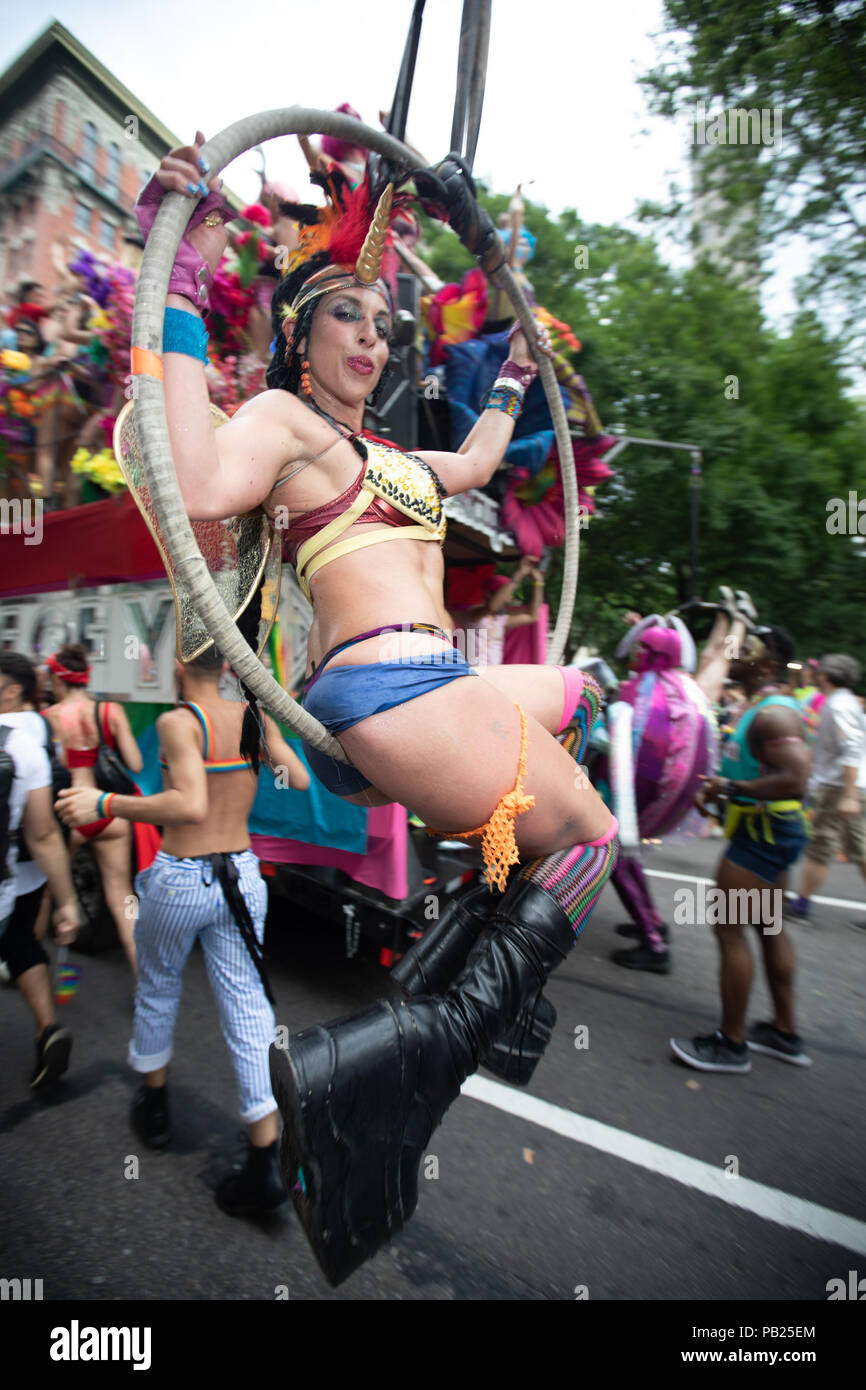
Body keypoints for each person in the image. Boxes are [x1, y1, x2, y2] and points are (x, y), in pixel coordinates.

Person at [133, 134, 618, 1283]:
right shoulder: (286, 426)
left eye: (384, 325)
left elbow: (491, 455)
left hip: (433, 689)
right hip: (390, 690)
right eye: (347, 316)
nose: (372, 337)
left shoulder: (397, 458)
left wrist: (518, 359)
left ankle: (469, 924)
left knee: (579, 700)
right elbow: (196, 484)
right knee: (592, 842)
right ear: (299, 334)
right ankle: (440, 1029)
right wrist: (187, 266)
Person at [56, 648, 309, 1214]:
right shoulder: (252, 717)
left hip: (181, 879)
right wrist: (263, 743)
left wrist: (103, 800)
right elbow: (296, 779)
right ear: (224, 665)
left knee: (158, 986)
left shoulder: (177, 722)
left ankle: (156, 1108)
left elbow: (190, 805)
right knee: (248, 1009)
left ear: (178, 666)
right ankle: (265, 1163)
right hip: (242, 874)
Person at [670, 625, 812, 1072]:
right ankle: (784, 1033)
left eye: (744, 648)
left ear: (768, 664)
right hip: (769, 830)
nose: (735, 652)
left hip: (763, 834)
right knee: (768, 927)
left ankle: (731, 1045)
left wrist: (730, 786)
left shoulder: (776, 714)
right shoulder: (762, 707)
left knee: (730, 930)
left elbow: (796, 777)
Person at [43, 643, 143, 979]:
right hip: (108, 810)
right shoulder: (109, 711)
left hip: (70, 812)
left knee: (46, 886)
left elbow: (52, 771)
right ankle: (143, 984)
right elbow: (135, 763)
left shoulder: (49, 718)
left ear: (59, 679)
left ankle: (22, 962)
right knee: (123, 900)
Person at [0, 687, 80, 1090]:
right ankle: (47, 1027)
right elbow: (44, 833)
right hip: (24, 869)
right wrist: (67, 900)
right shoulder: (36, 735)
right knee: (21, 942)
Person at [787, 654, 866, 930]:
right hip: (850, 785)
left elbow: (852, 747)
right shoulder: (844, 702)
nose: (817, 677)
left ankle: (801, 906)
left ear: (827, 677)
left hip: (839, 787)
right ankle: (801, 903)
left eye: (820, 674)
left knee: (821, 846)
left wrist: (847, 794)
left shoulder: (839, 705)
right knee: (860, 848)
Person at [461, 556, 545, 667]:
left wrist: (538, 582)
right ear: (488, 594)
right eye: (505, 594)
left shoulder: (501, 620)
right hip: (472, 675)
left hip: (493, 676)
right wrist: (520, 574)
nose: (509, 598)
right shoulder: (473, 613)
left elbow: (532, 616)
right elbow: (492, 607)